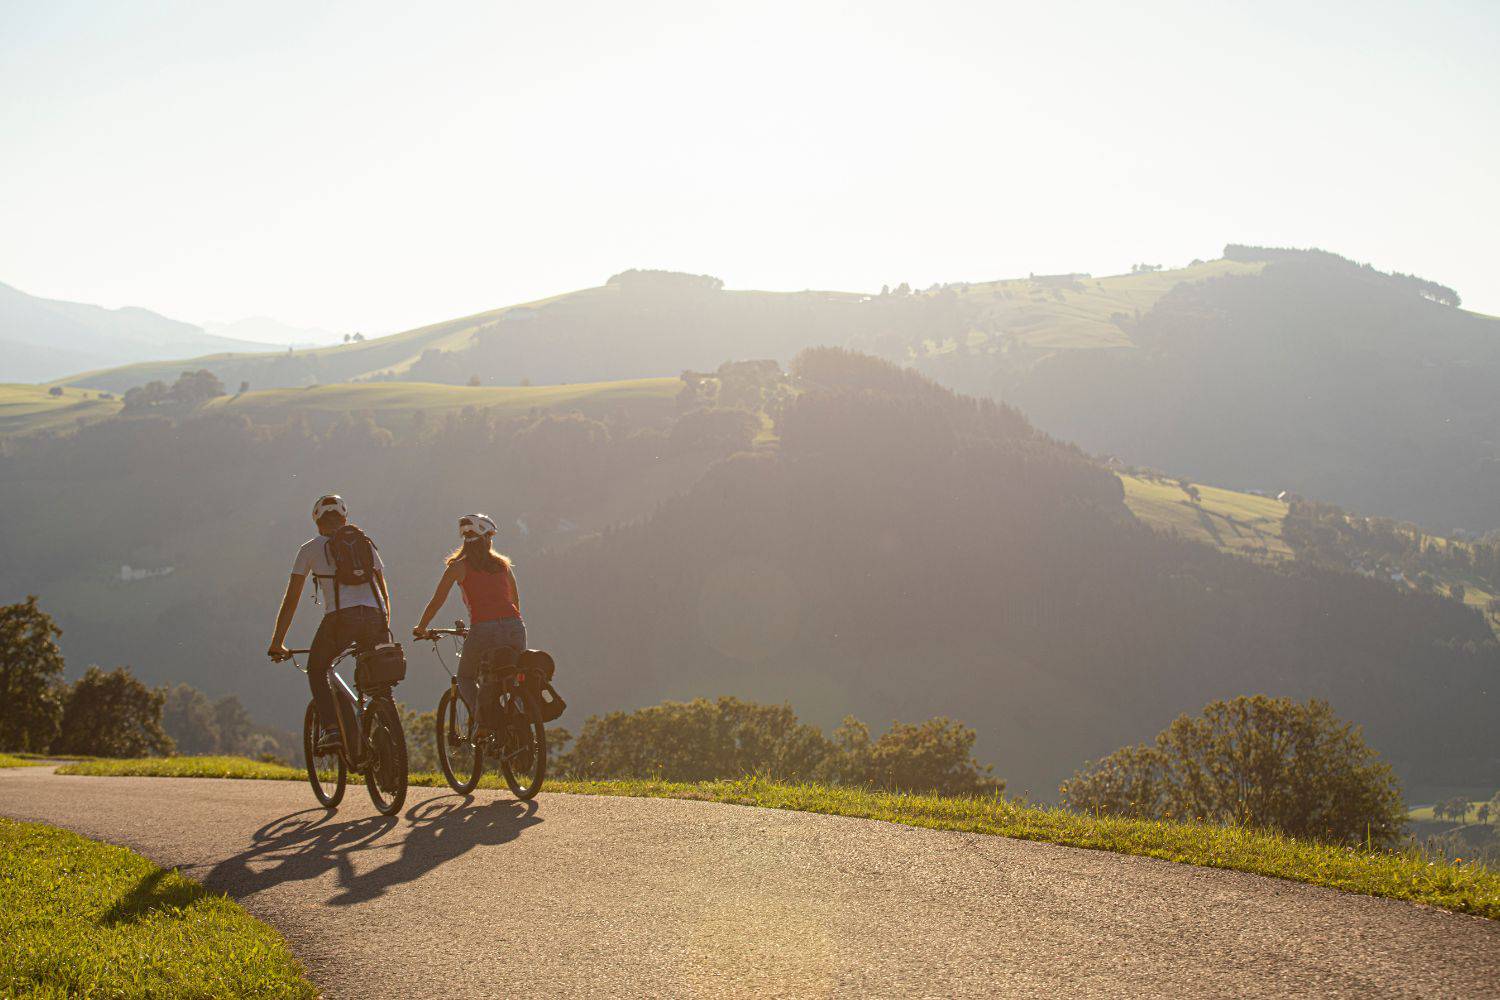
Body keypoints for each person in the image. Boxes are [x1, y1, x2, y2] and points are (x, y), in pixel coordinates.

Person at [267, 494, 392, 751]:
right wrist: (385, 626)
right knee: (379, 679)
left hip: (340, 619)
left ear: (317, 521)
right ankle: (387, 724)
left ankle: (332, 729)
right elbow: (383, 590)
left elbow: (292, 599)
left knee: (317, 668)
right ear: (345, 518)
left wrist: (277, 642)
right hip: (375, 616)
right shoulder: (365, 543)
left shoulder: (309, 549)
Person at [413, 514, 525, 715]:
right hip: (515, 626)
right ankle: (520, 721)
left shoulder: (458, 567)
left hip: (483, 630)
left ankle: (483, 719)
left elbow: (437, 601)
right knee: (515, 674)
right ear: (486, 539)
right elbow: (514, 600)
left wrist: (421, 628)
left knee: (465, 678)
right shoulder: (503, 565)